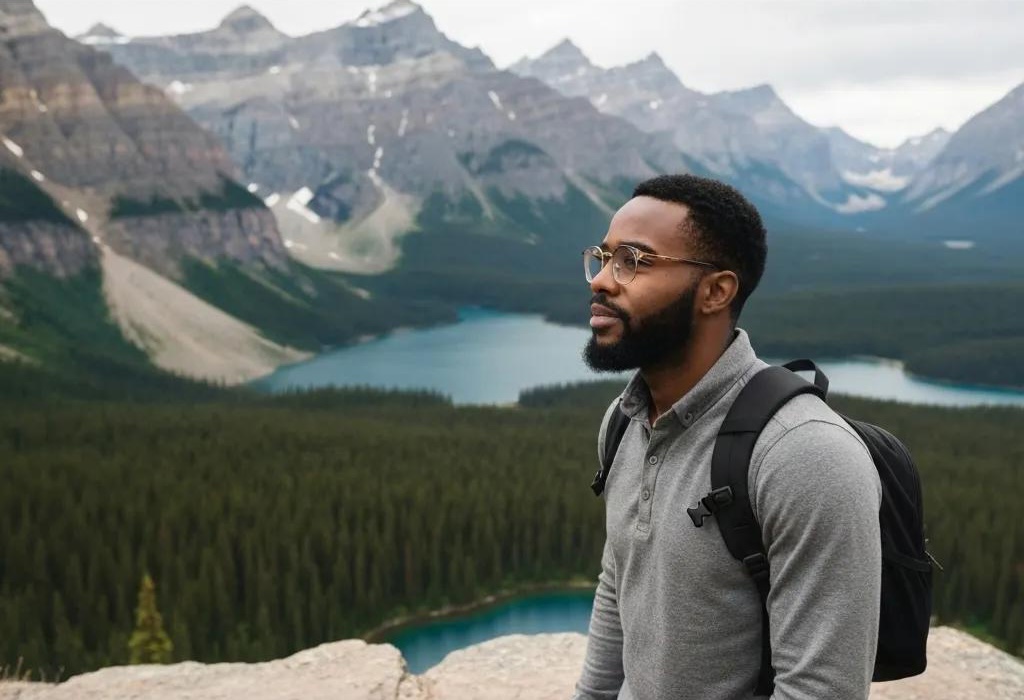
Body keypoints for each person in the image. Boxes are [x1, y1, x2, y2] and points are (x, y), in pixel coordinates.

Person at [573, 174, 881, 700]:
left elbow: (820, 690)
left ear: (716, 291)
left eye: (633, 260)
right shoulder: (625, 419)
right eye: (602, 257)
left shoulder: (804, 453)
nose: (601, 280)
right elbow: (617, 581)